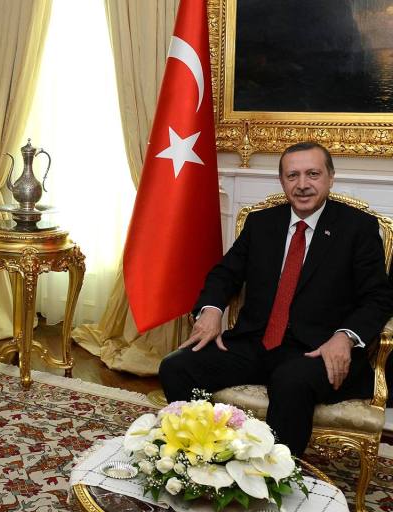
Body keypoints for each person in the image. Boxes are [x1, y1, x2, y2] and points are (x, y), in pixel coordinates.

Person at [159, 141, 393, 456]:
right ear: (282, 181)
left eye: (313, 174)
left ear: (330, 178)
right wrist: (212, 309)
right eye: (292, 175)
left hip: (317, 350)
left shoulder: (358, 228)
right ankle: (200, 453)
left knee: (289, 380)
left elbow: (378, 297)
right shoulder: (262, 224)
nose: (303, 184)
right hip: (256, 342)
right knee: (176, 367)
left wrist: (345, 337)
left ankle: (278, 476)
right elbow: (224, 274)